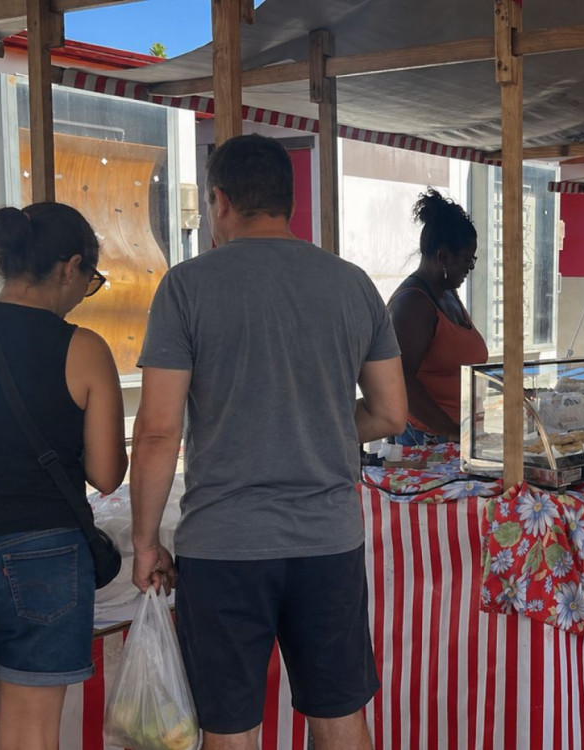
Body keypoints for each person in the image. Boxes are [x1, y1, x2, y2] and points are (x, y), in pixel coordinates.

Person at [130, 134, 407, 750]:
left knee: (230, 728)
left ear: (221, 201)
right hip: (327, 541)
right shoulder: (351, 284)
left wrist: (146, 543)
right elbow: (390, 413)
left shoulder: (186, 286)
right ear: (290, 202)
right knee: (339, 716)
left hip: (223, 544)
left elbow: (157, 431)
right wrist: (320, 423)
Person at [0, 204, 126, 750]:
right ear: (70, 267)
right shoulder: (84, 348)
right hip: (44, 555)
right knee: (30, 735)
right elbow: (106, 475)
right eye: (89, 280)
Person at [387, 189, 488, 445]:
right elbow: (399, 378)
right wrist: (450, 430)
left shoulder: (447, 293)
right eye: (467, 260)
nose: (469, 268)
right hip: (427, 440)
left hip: (460, 435)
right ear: (443, 256)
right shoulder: (413, 304)